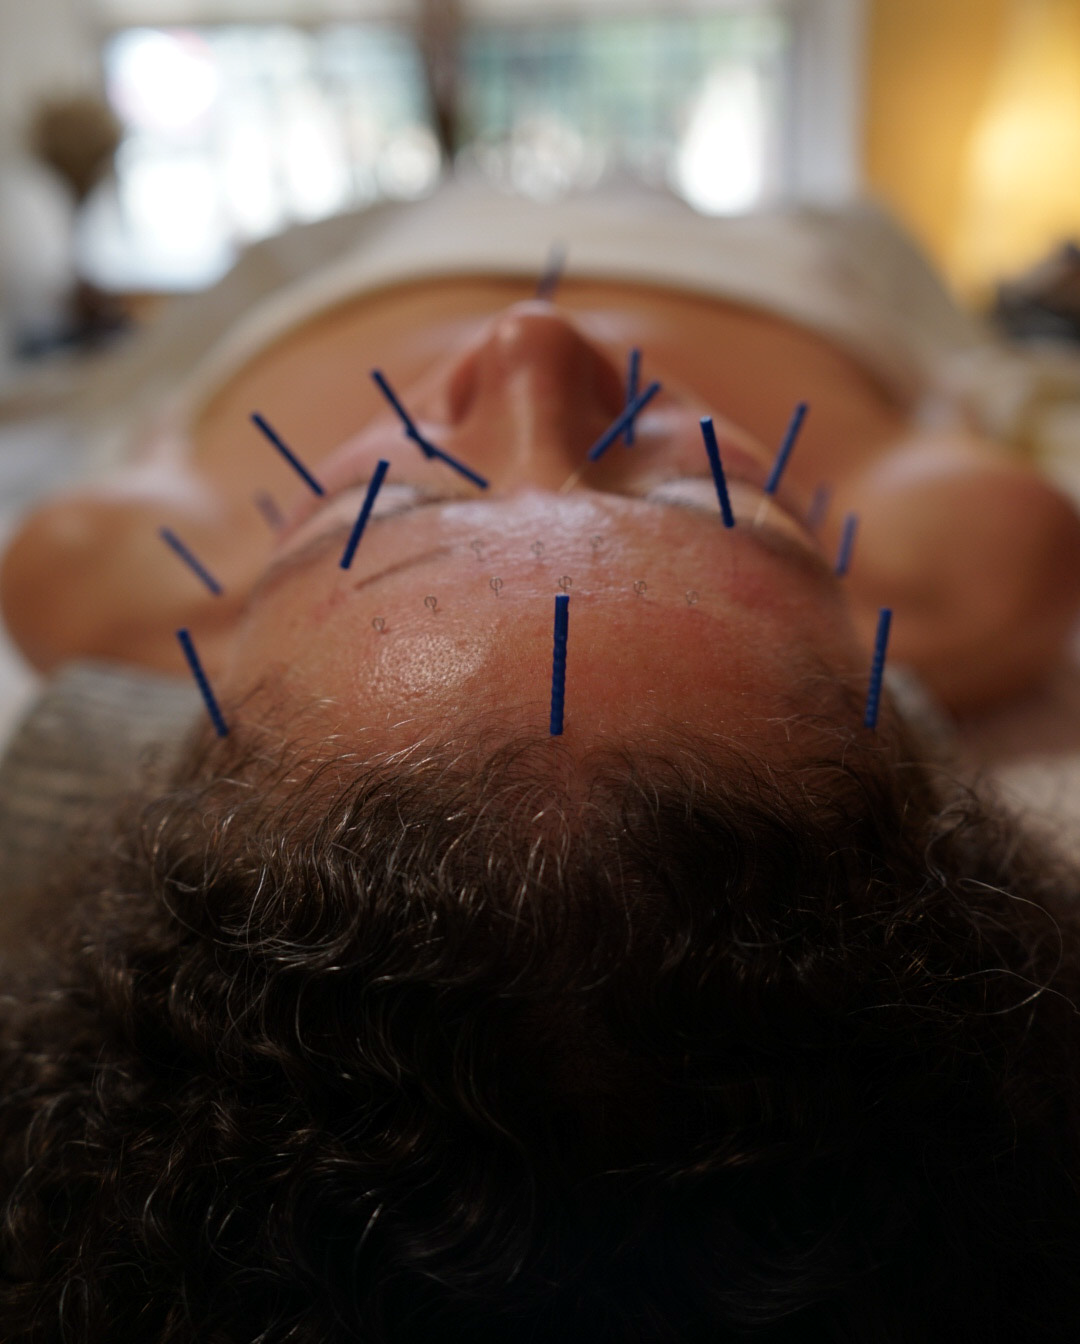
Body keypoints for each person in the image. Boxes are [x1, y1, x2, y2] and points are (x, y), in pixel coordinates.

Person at [1, 178, 1080, 1341]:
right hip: (742, 234)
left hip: (349, 252)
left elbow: (155, 421)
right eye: (704, 498)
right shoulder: (979, 565)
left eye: (388, 495)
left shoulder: (94, 567)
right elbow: (955, 417)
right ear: (891, 691)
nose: (531, 342)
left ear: (199, 693)